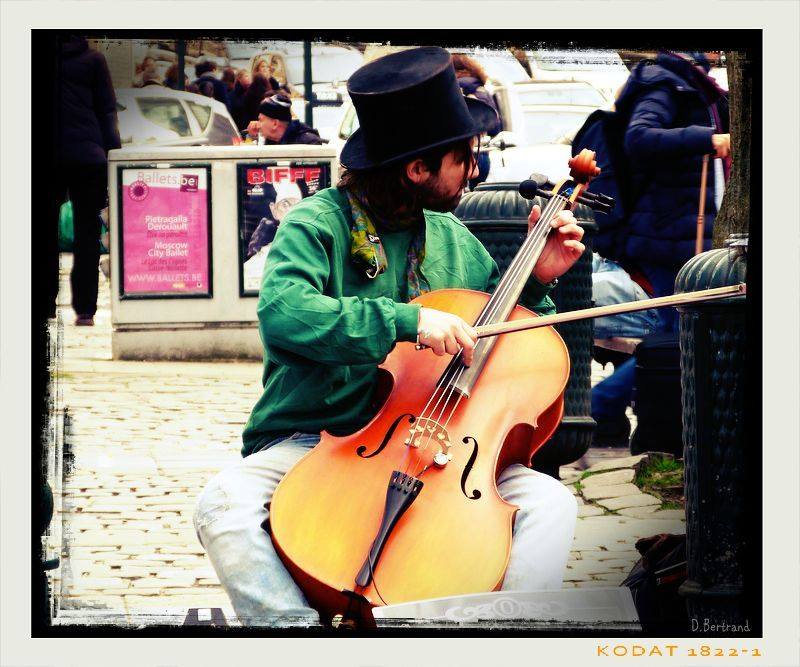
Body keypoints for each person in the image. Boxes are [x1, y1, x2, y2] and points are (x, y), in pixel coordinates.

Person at [194, 46, 583, 627]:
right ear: (418, 169)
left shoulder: (453, 238)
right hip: (313, 439)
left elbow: (500, 348)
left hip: (441, 452)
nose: (474, 170)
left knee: (550, 505)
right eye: (464, 157)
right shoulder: (316, 223)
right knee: (223, 504)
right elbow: (285, 314)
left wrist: (537, 280)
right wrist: (409, 322)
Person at [587, 50, 730, 445]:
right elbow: (640, 136)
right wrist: (708, 138)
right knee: (680, 337)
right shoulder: (665, 81)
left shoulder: (686, 82)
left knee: (677, 334)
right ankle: (601, 406)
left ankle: (614, 412)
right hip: (668, 236)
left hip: (676, 232)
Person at [50, 35, 120, 325]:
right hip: (87, 156)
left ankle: (43, 304)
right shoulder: (93, 60)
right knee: (87, 233)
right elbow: (106, 110)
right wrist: (112, 154)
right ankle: (85, 310)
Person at [451, 53, 502, 188]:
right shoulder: (483, 90)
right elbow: (496, 127)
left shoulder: (454, 89)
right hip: (483, 152)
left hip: (461, 156)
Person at [245, 92, 322, 145]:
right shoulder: (272, 140)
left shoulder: (308, 143)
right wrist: (253, 137)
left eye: (261, 120)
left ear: (275, 124)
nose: (258, 124)